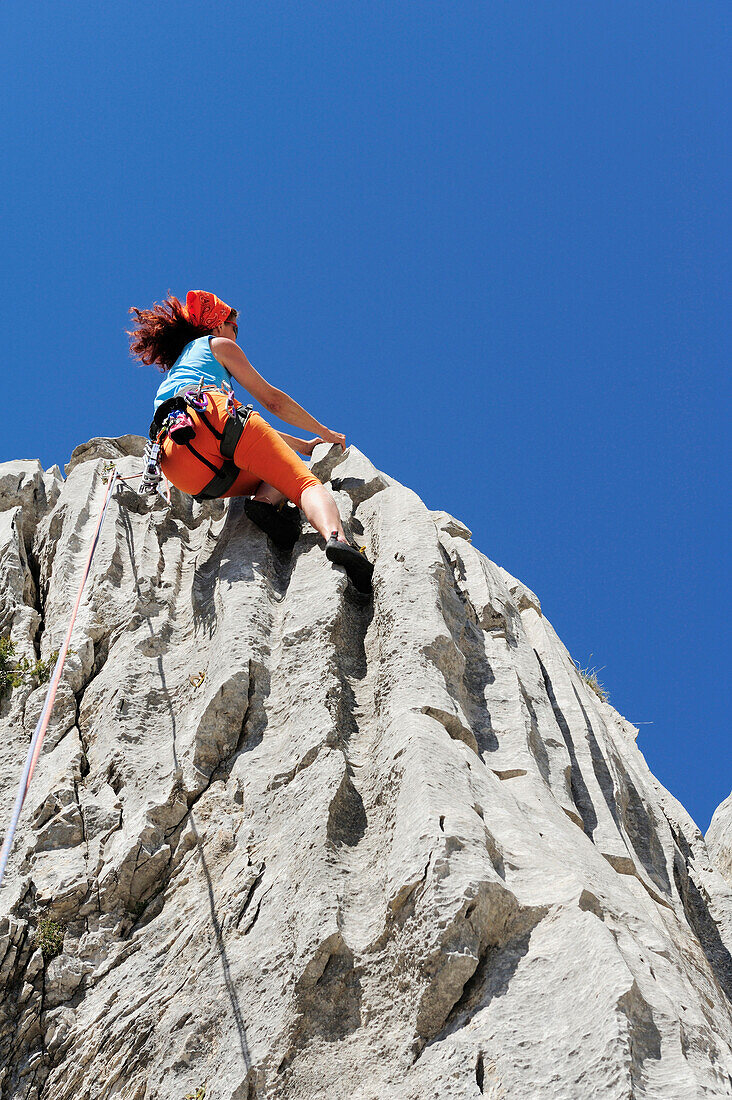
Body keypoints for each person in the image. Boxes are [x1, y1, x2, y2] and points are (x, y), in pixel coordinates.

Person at [128, 290, 373, 592]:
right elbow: (272, 402)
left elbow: (250, 433)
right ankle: (338, 540)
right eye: (234, 327)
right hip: (216, 418)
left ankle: (265, 503)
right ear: (217, 325)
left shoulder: (175, 377)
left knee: (269, 467)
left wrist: (303, 446)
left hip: (182, 465)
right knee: (304, 484)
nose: (235, 334)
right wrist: (324, 432)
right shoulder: (216, 345)